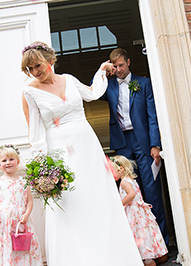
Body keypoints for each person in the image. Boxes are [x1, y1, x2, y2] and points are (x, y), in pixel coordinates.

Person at [21, 41, 144, 266]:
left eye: (37, 66)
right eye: (30, 69)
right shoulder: (30, 92)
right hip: (60, 151)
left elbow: (92, 94)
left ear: (50, 61)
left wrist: (100, 71)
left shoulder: (68, 79)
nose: (35, 72)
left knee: (97, 198)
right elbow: (35, 135)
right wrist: (42, 169)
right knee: (70, 204)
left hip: (87, 144)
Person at [100, 48, 169, 245]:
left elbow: (152, 116)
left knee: (151, 189)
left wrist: (155, 144)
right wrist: (104, 72)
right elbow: (92, 91)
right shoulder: (109, 87)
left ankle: (161, 242)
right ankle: (136, 244)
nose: (119, 69)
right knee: (128, 191)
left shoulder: (144, 83)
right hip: (122, 144)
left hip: (143, 142)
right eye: (115, 66)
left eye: (121, 65)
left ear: (128, 62)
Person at [0, 144, 43, 266]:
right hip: (5, 222)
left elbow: (29, 201)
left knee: (23, 249)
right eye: (4, 160)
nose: (8, 162)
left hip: (21, 221)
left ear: (17, 161)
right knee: (7, 247)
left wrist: (26, 214)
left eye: (11, 159)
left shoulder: (24, 182)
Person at [111, 155, 168, 266]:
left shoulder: (124, 182)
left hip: (134, 213)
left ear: (121, 169)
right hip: (140, 213)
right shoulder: (131, 180)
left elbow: (131, 194)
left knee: (137, 235)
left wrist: (120, 204)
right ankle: (148, 259)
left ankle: (148, 261)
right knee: (143, 234)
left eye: (112, 171)